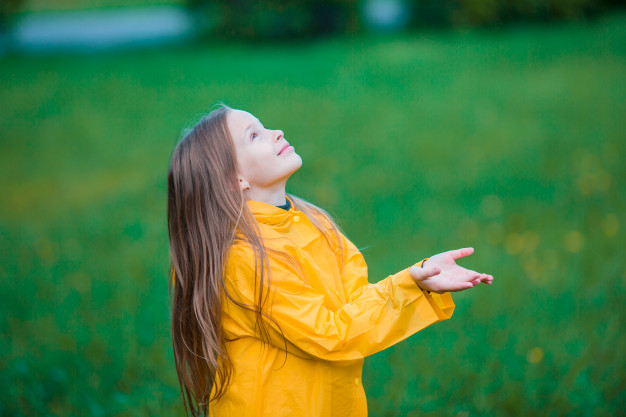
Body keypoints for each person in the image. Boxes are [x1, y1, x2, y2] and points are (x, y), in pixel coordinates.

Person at [167, 105, 493, 417]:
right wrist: (407, 286)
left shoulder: (314, 221)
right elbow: (330, 334)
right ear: (234, 180)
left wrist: (420, 281)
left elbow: (354, 307)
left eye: (265, 127)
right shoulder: (244, 259)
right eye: (255, 136)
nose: (277, 132)